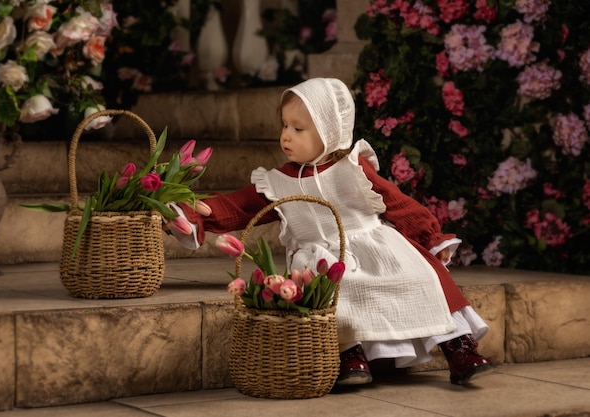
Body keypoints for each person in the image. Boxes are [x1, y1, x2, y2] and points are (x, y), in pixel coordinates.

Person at [167, 77, 495, 386]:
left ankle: (460, 350)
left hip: (375, 244)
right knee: (335, 291)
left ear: (331, 130)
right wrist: (197, 211)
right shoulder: (278, 181)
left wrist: (429, 237)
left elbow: (395, 202)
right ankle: (349, 355)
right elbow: (239, 206)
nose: (286, 136)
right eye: (284, 125)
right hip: (320, 256)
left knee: (420, 277)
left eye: (299, 128)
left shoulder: (352, 167)